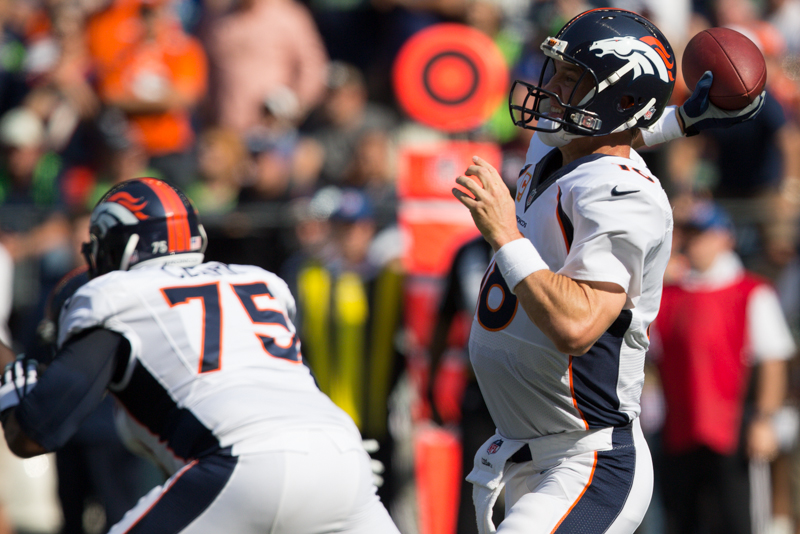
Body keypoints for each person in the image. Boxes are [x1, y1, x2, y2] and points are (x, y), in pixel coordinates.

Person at [450, 8, 765, 534]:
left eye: (571, 79)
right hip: (528, 451)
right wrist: (681, 120)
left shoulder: (624, 196)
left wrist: (505, 234)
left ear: (616, 100)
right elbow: (609, 138)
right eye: (554, 71)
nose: (549, 87)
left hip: (587, 462)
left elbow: (578, 326)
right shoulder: (559, 143)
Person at [0, 177, 400, 534]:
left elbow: (34, 433)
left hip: (246, 467)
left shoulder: (116, 296)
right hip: (344, 457)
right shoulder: (257, 281)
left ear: (121, 244)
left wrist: (14, 375)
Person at [651, 200, 794, 534]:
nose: (694, 242)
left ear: (724, 238)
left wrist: (764, 419)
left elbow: (772, 361)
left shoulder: (751, 292)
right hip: (679, 430)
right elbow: (651, 361)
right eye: (689, 234)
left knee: (737, 520)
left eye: (702, 234)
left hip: (734, 431)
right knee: (680, 521)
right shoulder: (667, 295)